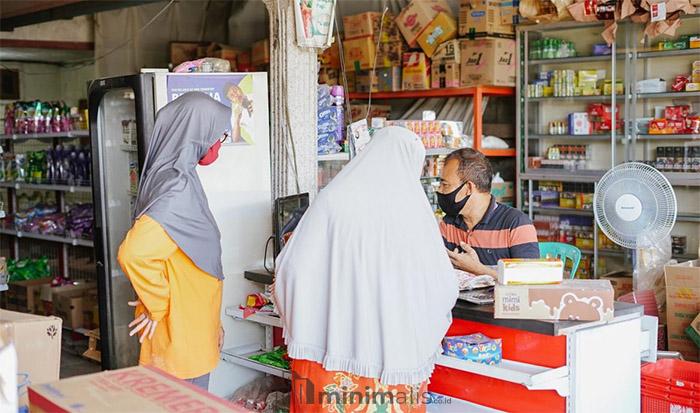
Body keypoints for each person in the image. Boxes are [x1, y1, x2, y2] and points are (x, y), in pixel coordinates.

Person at [274, 126, 459, 413]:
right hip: (395, 360)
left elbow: (292, 270)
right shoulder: (415, 212)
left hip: (327, 358)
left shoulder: (331, 200)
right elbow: (443, 287)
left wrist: (311, 323)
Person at [117, 92, 230, 390]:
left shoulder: (174, 177)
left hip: (192, 330)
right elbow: (133, 254)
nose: (220, 143)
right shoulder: (175, 189)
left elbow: (192, 260)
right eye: (220, 134)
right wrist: (157, 305)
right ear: (198, 134)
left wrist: (213, 325)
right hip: (182, 340)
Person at [437, 148, 539, 277]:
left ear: (468, 188)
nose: (440, 191)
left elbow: (531, 279)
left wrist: (478, 270)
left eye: (445, 185)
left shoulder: (516, 224)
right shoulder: (447, 224)